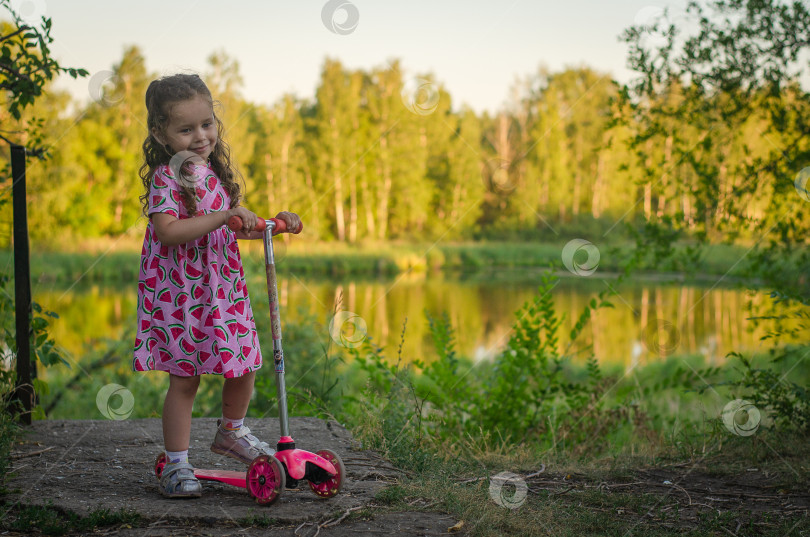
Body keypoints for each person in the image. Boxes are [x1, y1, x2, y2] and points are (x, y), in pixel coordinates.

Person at [132, 73, 302, 498]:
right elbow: (169, 231)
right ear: (160, 132)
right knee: (185, 379)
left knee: (243, 364)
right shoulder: (165, 178)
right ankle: (176, 464)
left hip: (221, 292)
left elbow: (226, 231)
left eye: (207, 124)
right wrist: (225, 217)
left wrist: (270, 225)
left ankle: (231, 431)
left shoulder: (212, 174)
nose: (200, 135)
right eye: (185, 129)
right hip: (181, 297)